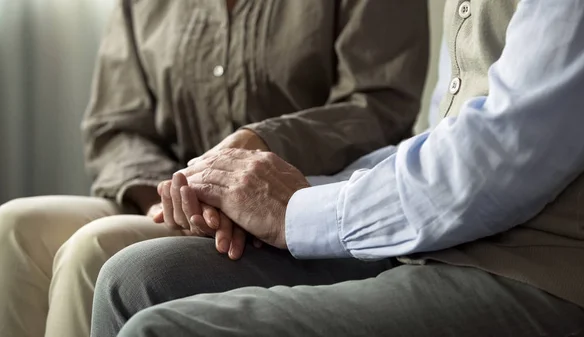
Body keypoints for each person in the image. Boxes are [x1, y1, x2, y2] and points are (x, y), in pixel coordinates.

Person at [90, 1, 584, 336]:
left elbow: (501, 153)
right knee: (132, 278)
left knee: (157, 329)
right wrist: (232, 193)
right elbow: (442, 136)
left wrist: (292, 208)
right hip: (441, 232)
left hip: (541, 267)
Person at [0, 1, 429, 336]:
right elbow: (115, 125)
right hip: (165, 197)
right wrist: (173, 196)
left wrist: (259, 142)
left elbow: (377, 108)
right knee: (15, 226)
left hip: (288, 206)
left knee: (92, 248)